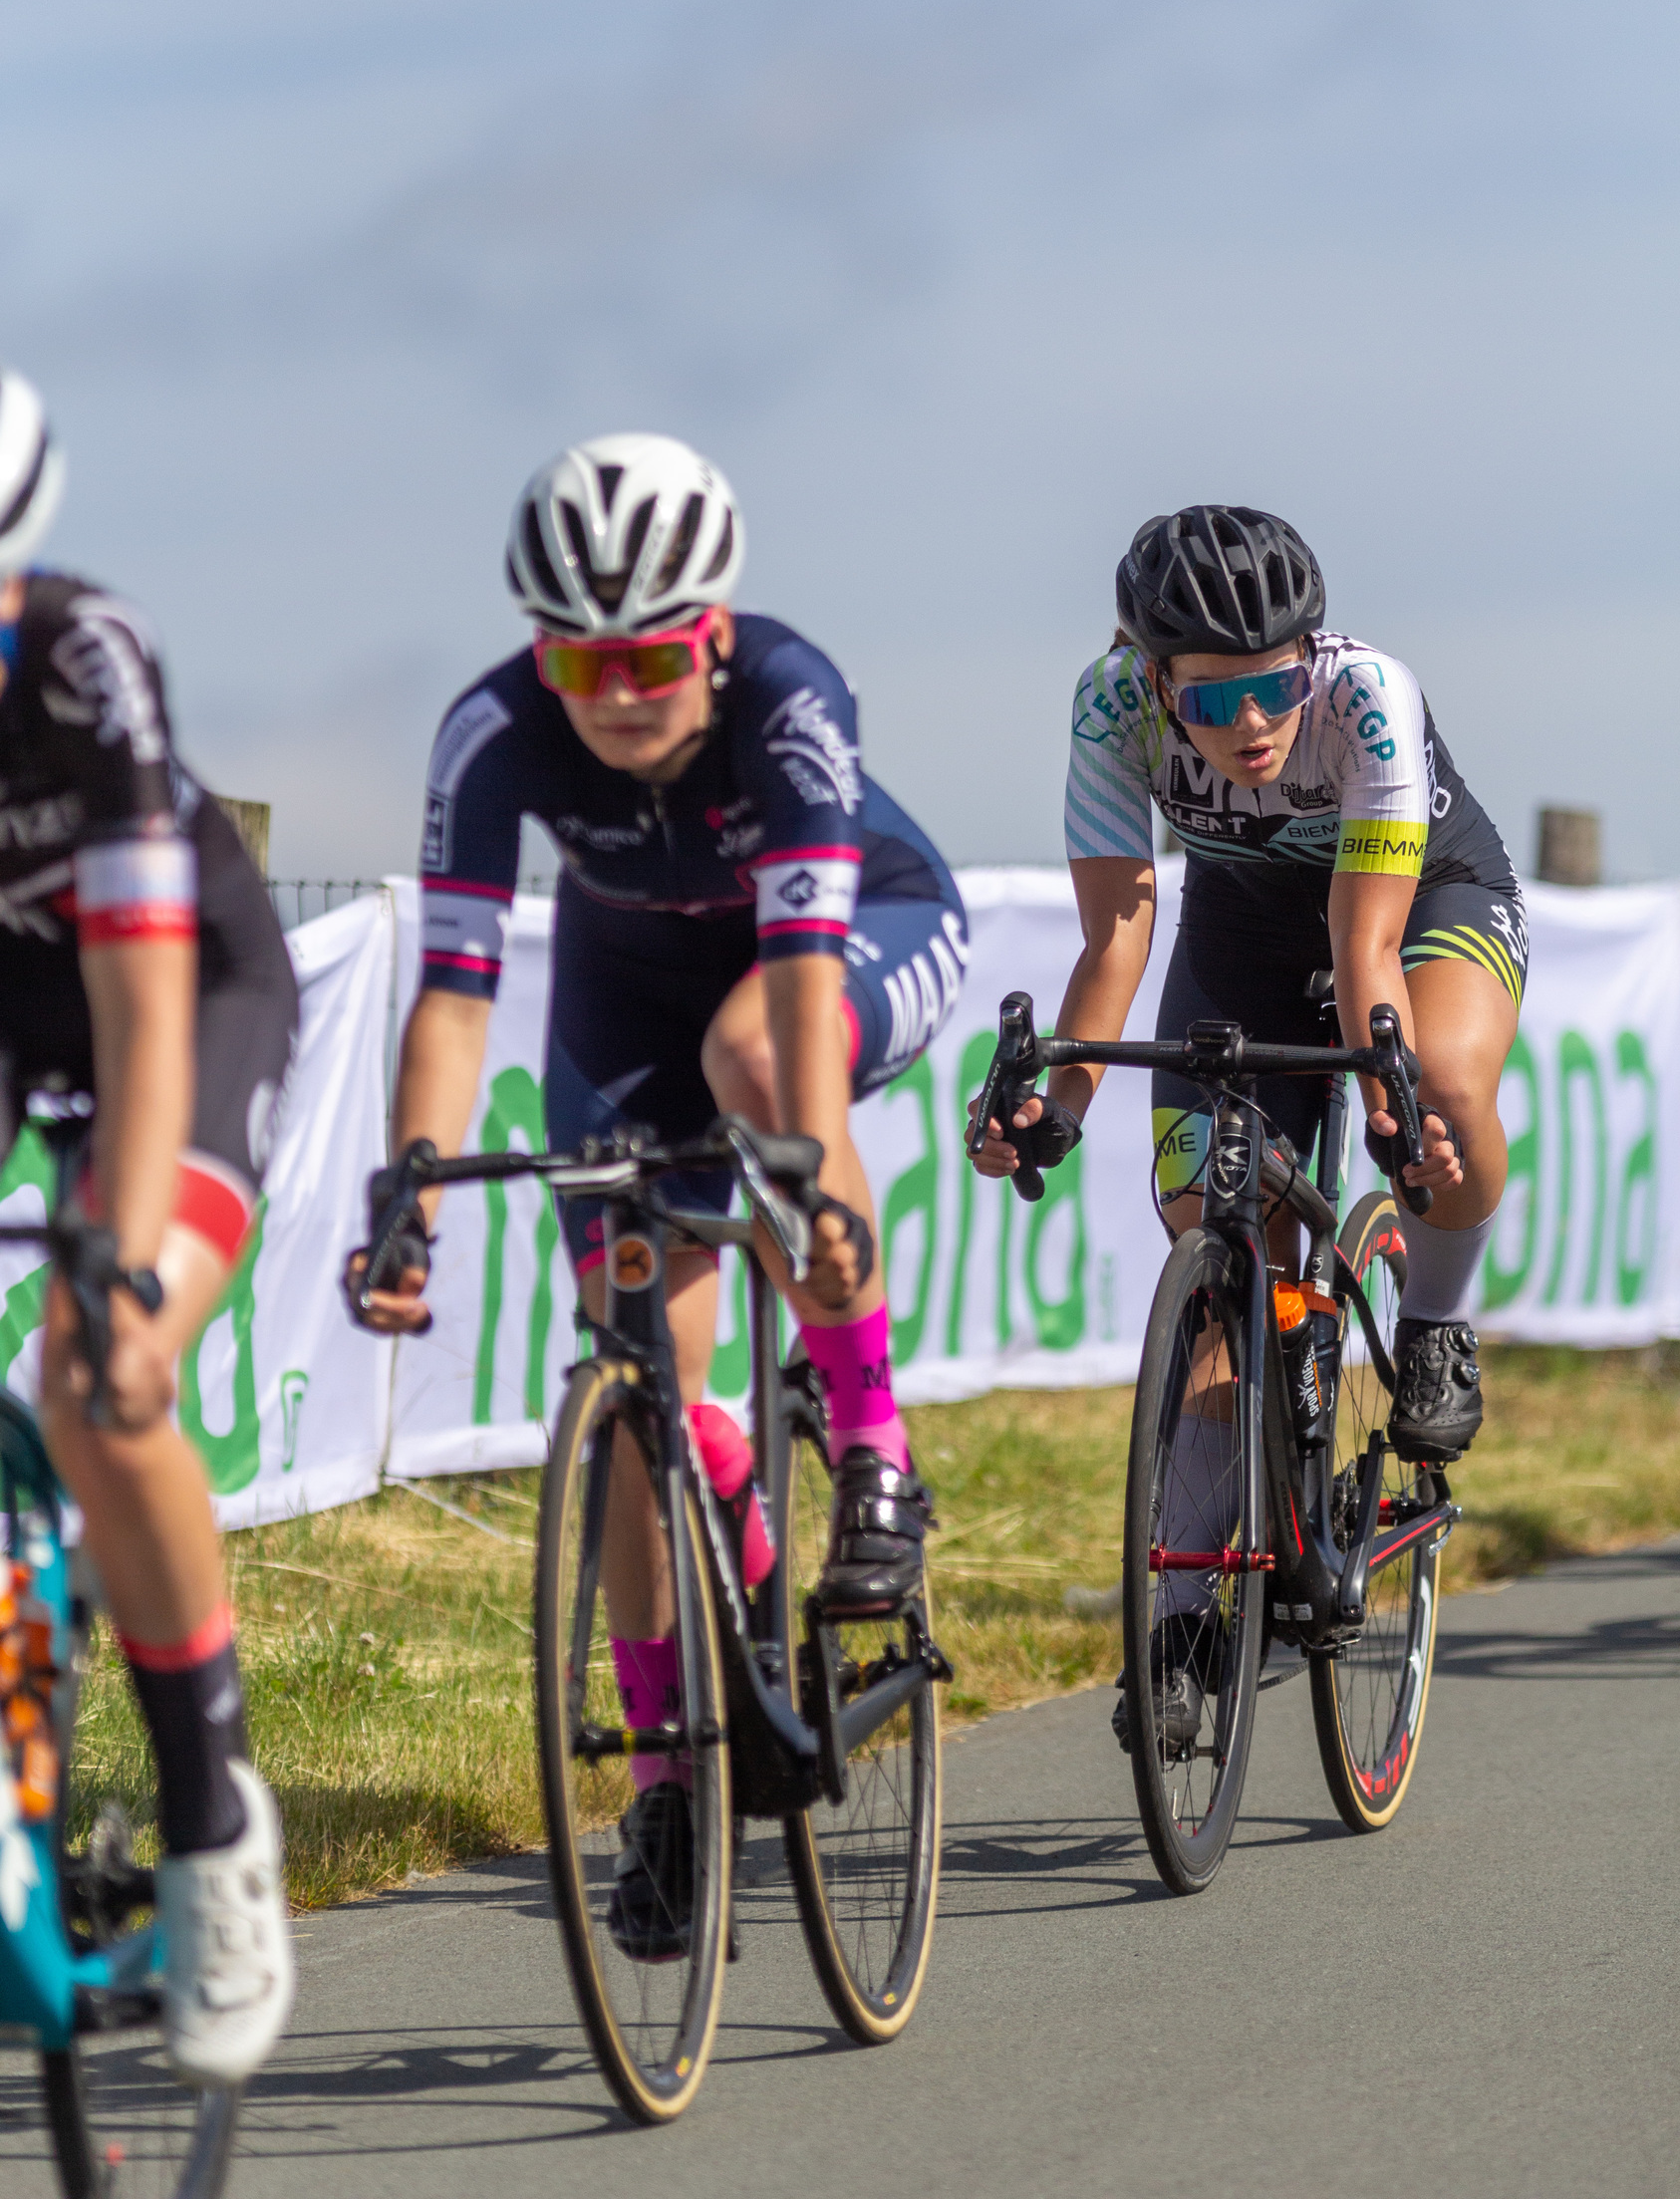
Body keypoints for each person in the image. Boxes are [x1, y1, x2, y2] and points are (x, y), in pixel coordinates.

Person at [349, 431, 967, 1954]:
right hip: (623, 999)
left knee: (756, 1057)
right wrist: (408, 1197)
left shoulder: (791, 694)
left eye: (654, 658)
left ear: (714, 634)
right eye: (582, 667)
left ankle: (874, 1443)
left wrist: (810, 1189)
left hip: (842, 944)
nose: (620, 696)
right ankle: (665, 1773)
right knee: (637, 1386)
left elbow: (804, 987)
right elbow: (449, 997)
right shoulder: (489, 733)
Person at [970, 505, 1524, 1730]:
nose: (1254, 724)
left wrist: (1391, 1111)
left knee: (1444, 1087)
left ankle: (1433, 1319)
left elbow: (1364, 949)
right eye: (1212, 703)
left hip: (1415, 894)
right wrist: (1055, 1106)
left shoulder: (1368, 697)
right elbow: (1117, 936)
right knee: (1212, 1227)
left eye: (1272, 687)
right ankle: (1178, 1625)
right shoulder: (1107, 708)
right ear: (1155, 682)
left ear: (1308, 655)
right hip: (1245, 922)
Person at [0, 368, 298, 2082]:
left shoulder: (82, 657)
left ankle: (212, 1825)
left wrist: (113, 1244)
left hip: (173, 990)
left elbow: (138, 995)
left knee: (103, 1370)